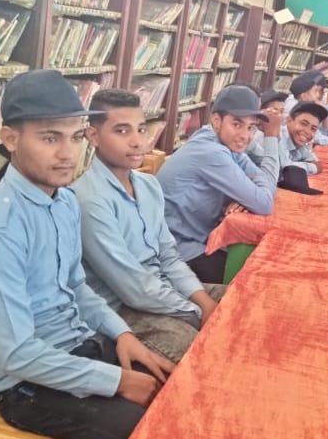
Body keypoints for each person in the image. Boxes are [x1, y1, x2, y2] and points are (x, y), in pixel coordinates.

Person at [0, 70, 173, 439]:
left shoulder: (64, 201)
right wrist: (116, 381)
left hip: (80, 346)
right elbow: (17, 355)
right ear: (11, 139)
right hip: (27, 386)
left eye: (77, 137)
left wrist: (123, 335)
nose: (68, 154)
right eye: (50, 138)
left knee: (180, 389)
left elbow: (77, 287)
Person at [75, 89, 225, 364]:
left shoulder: (148, 185)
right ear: (93, 136)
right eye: (122, 131)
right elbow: (133, 287)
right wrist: (197, 312)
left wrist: (203, 301)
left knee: (244, 300)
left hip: (163, 286)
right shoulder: (88, 199)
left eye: (141, 129)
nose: (137, 142)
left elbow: (168, 255)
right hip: (124, 307)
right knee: (206, 353)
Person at [157, 84, 280, 283]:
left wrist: (248, 194)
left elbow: (268, 184)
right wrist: (272, 137)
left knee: (261, 260)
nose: (245, 136)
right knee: (252, 278)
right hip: (176, 248)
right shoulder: (211, 151)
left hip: (199, 235)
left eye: (251, 127)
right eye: (237, 124)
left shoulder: (224, 142)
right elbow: (265, 203)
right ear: (216, 121)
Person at [279, 100, 328, 175]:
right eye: (304, 124)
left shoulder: (301, 143)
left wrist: (296, 165)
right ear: (289, 120)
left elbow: (318, 165)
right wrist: (310, 167)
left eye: (313, 129)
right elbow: (285, 168)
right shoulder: (278, 137)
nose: (308, 131)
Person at [247, 89, 288, 166]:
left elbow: (284, 161)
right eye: (274, 111)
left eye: (281, 111)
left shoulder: (280, 131)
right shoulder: (259, 135)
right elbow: (279, 165)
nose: (279, 115)